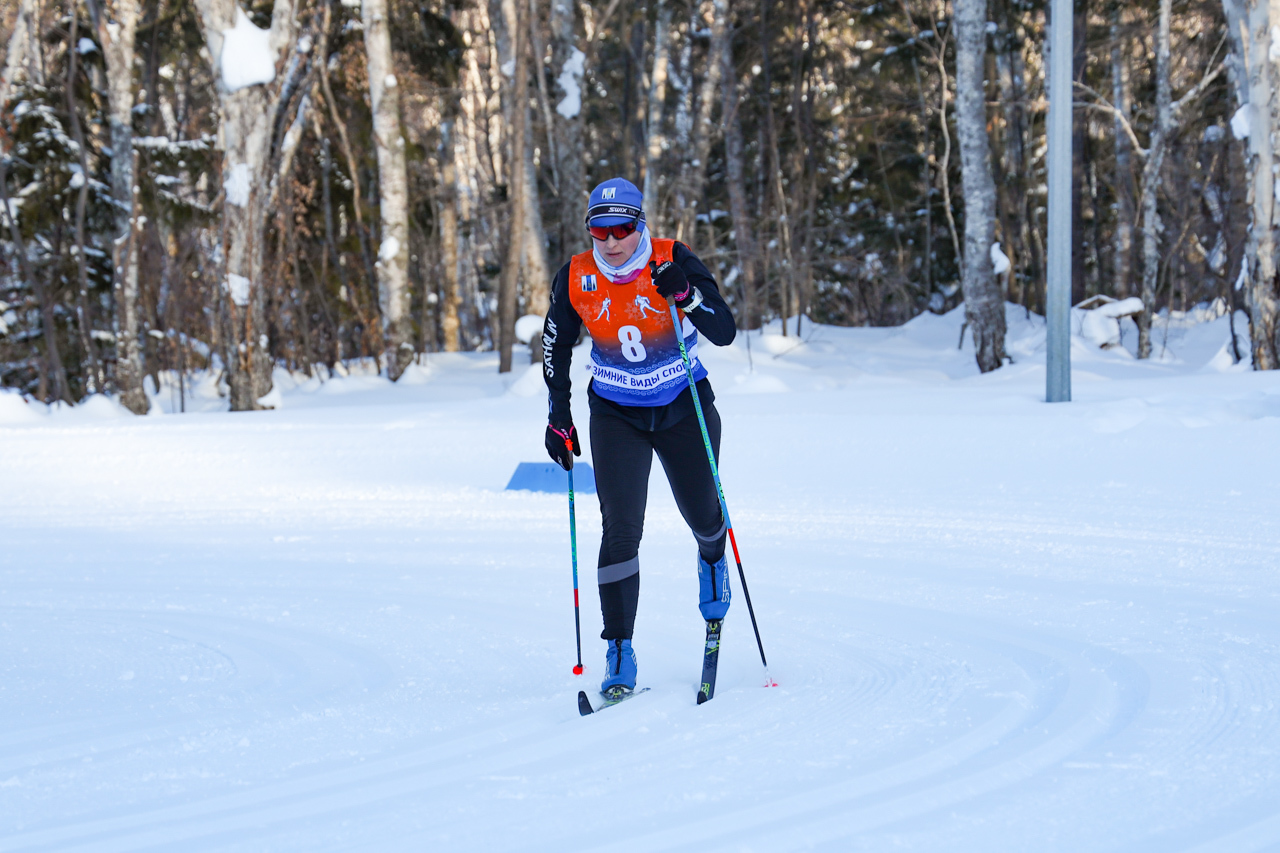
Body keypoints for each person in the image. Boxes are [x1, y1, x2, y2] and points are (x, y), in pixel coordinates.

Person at [540, 177, 737, 697]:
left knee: (703, 515)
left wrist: (687, 295)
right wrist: (559, 414)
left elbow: (725, 329)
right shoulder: (576, 275)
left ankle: (713, 566)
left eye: (623, 228)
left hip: (682, 404)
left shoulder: (672, 258)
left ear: (640, 225)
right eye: (599, 230)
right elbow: (555, 345)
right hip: (615, 412)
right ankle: (619, 648)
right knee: (621, 530)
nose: (611, 241)